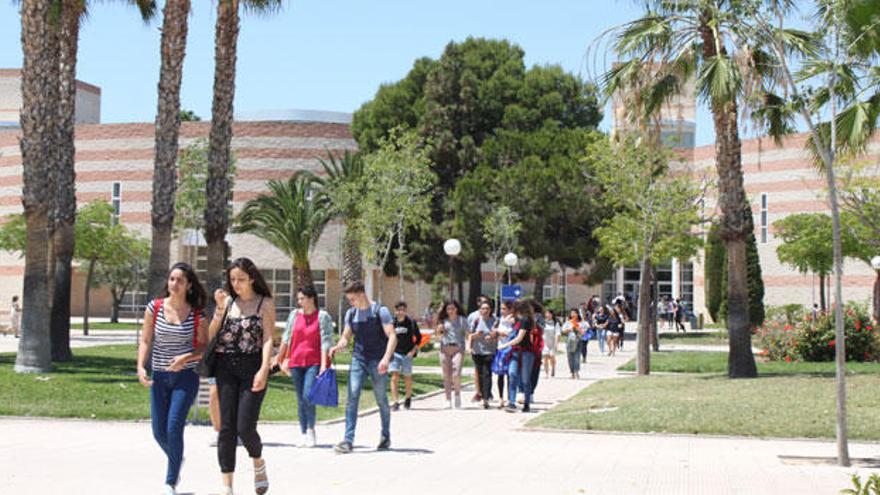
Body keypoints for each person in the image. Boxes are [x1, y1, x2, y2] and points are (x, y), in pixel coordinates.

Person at [136, 262, 208, 495]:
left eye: (179, 280)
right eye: (171, 279)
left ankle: (170, 482)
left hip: (186, 377)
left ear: (188, 285)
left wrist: (186, 357)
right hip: (160, 376)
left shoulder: (197, 315)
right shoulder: (154, 308)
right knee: (159, 432)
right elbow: (146, 340)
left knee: (174, 427)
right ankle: (176, 458)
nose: (174, 284)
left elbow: (204, 347)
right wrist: (140, 366)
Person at [209, 258, 275, 495]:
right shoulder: (227, 302)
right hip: (225, 366)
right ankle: (227, 485)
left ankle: (258, 461)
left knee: (245, 427)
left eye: (241, 279)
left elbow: (268, 338)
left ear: (252, 279)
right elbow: (210, 335)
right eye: (233, 279)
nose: (236, 284)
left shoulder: (264, 303)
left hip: (252, 367)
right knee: (226, 428)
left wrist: (264, 369)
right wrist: (218, 309)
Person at [329, 281, 397, 454]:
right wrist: (339, 345)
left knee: (381, 399)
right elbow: (346, 337)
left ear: (361, 295)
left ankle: (385, 435)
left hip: (378, 361)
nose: (351, 303)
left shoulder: (380, 311)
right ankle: (348, 440)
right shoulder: (351, 314)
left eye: (352, 299)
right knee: (352, 396)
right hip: (358, 359)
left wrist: (386, 359)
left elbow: (392, 336)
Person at [276, 285, 334, 448]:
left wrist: (323, 365)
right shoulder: (294, 315)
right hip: (296, 362)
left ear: (311, 298)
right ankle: (303, 433)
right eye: (298, 298)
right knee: (300, 399)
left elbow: (326, 341)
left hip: (313, 362)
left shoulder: (322, 316)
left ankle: (311, 430)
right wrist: (280, 359)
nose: (299, 301)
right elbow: (286, 338)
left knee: (308, 396)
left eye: (302, 298)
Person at [498, 299, 539, 413]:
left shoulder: (526, 320)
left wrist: (504, 345)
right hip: (515, 352)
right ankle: (511, 402)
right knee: (512, 374)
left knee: (525, 380)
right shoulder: (517, 320)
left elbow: (519, 338)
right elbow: (505, 320)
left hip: (526, 352)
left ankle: (526, 403)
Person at [435, 300, 467, 409]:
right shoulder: (443, 321)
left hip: (458, 348)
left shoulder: (462, 320)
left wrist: (470, 347)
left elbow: (468, 334)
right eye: (448, 309)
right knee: (446, 376)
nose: (451, 311)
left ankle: (457, 395)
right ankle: (448, 399)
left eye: (453, 308)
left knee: (456, 374)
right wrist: (439, 331)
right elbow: (438, 335)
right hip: (444, 349)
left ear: (456, 309)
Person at [388, 301, 421, 411]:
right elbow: (386, 338)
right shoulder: (392, 323)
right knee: (394, 377)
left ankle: (408, 397)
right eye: (398, 310)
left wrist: (413, 351)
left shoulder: (411, 322)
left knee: (407, 377)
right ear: (395, 310)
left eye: (402, 310)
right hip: (395, 353)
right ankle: (395, 402)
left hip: (407, 354)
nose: (400, 312)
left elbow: (419, 338)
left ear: (405, 311)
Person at [467, 300, 497, 409]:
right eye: (483, 309)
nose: (485, 311)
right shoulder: (476, 320)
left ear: (490, 310)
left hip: (489, 351)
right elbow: (470, 335)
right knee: (479, 374)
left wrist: (493, 336)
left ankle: (486, 398)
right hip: (477, 351)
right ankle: (481, 394)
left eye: (487, 309)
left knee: (487, 373)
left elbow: (498, 334)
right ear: (480, 310)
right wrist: (473, 339)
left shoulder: (494, 320)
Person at [492, 299, 516, 408]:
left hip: (510, 349)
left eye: (504, 309)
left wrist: (502, 332)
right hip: (500, 349)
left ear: (510, 309)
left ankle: (510, 398)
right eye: (501, 308)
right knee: (500, 375)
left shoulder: (513, 320)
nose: (502, 311)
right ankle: (501, 398)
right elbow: (496, 330)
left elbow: (512, 333)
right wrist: (496, 332)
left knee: (510, 375)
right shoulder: (500, 319)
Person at [561, 309, 585, 379]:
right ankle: (572, 372)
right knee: (570, 357)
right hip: (569, 342)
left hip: (578, 341)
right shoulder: (568, 323)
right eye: (572, 313)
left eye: (575, 313)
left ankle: (576, 372)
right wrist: (570, 329)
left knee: (577, 357)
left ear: (578, 314)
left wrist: (578, 329)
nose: (573, 314)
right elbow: (563, 331)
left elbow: (583, 333)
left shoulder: (581, 323)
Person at [541, 309, 560, 378]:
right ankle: (546, 373)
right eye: (546, 313)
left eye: (549, 313)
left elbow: (557, 334)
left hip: (552, 342)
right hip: (545, 342)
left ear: (552, 315)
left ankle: (553, 368)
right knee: (545, 357)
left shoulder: (555, 323)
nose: (547, 315)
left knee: (552, 356)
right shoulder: (543, 323)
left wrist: (556, 343)